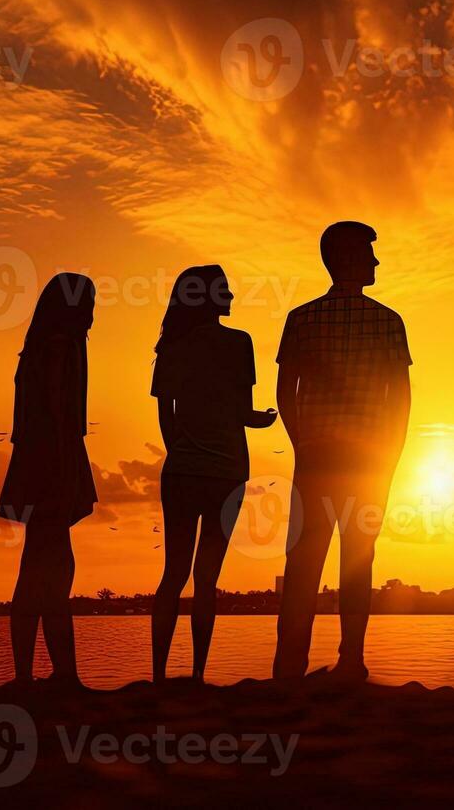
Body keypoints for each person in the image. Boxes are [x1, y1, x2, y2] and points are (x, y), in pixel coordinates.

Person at [272, 222, 411, 683]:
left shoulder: (301, 318)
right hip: (368, 460)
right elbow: (401, 398)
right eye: (370, 254)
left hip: (317, 456)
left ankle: (290, 665)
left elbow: (284, 391)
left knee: (304, 561)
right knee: (358, 561)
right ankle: (351, 661)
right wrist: (390, 456)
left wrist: (301, 443)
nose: (375, 262)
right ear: (348, 258)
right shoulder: (389, 321)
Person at [150, 265, 278, 683]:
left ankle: (158, 675)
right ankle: (199, 674)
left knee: (173, 573)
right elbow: (243, 411)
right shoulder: (239, 343)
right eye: (224, 289)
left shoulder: (172, 346)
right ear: (206, 295)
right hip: (226, 473)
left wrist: (182, 451)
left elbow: (164, 415)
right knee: (207, 578)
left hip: (182, 472)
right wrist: (264, 421)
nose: (232, 295)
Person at [0, 273, 99, 688]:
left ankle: (43, 672)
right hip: (52, 463)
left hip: (41, 462)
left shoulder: (37, 349)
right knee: (51, 572)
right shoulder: (62, 346)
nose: (93, 314)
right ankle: (58, 674)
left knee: (40, 569)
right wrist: (63, 474)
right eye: (88, 304)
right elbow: (58, 412)